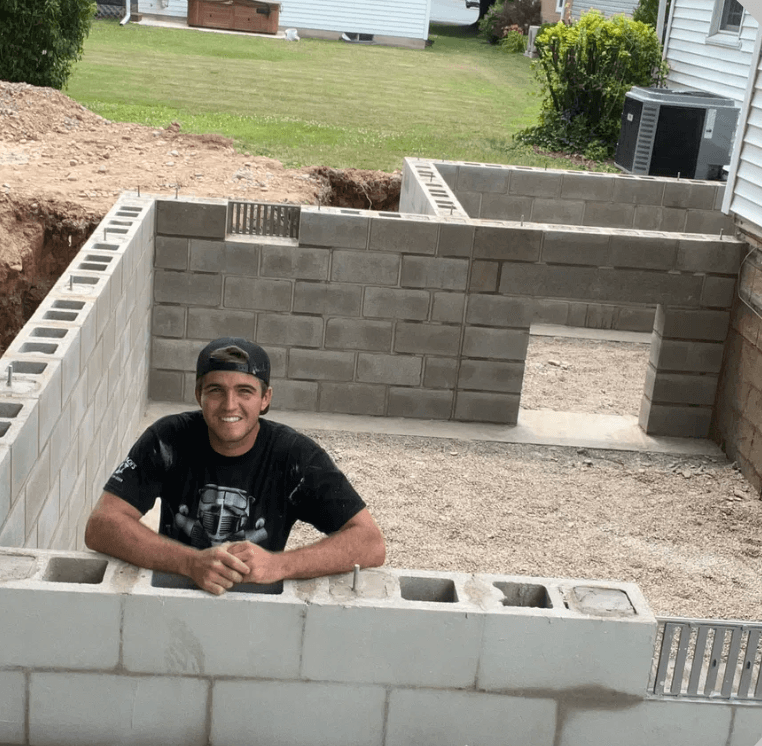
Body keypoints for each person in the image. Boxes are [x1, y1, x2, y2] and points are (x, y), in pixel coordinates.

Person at [85, 337, 386, 595]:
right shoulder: (169, 440)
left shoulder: (294, 456)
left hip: (255, 606)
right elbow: (102, 525)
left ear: (265, 399)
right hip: (176, 595)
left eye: (245, 391)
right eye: (215, 390)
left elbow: (369, 542)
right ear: (198, 395)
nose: (230, 405)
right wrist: (190, 562)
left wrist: (277, 565)